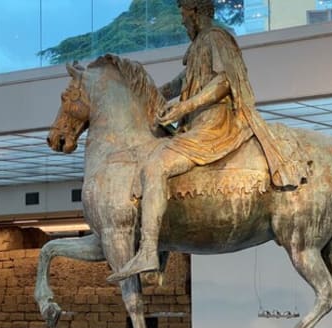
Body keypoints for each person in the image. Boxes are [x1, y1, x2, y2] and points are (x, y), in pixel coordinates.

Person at [107, 0, 309, 282]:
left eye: (183, 15)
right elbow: (182, 81)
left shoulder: (215, 38)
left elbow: (223, 83)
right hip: (196, 126)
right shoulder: (200, 45)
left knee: (154, 168)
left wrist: (184, 108)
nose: (181, 22)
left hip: (214, 127)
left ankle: (150, 250)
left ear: (196, 13)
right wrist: (152, 98)